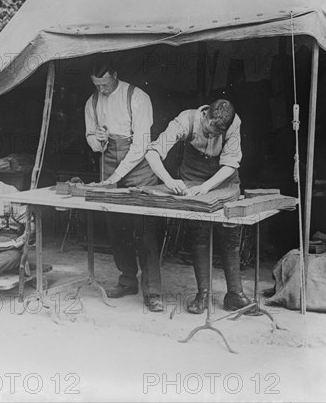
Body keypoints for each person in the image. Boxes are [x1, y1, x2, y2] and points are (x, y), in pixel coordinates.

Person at [145, 99, 251, 313]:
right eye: (208, 131)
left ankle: (235, 295)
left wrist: (208, 186)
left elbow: (230, 163)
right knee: (199, 234)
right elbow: (152, 152)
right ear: (204, 116)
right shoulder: (186, 120)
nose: (211, 137)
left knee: (230, 235)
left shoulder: (233, 122)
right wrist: (168, 180)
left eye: (216, 135)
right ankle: (203, 294)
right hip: (192, 177)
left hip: (223, 179)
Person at [84, 60, 163, 312]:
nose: (103, 90)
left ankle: (152, 291)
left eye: (106, 84)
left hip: (138, 162)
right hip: (109, 157)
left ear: (115, 75)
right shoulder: (92, 102)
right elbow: (90, 138)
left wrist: (116, 175)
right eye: (97, 86)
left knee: (146, 225)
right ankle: (127, 279)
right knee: (115, 223)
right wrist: (97, 141)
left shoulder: (138, 97)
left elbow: (141, 146)